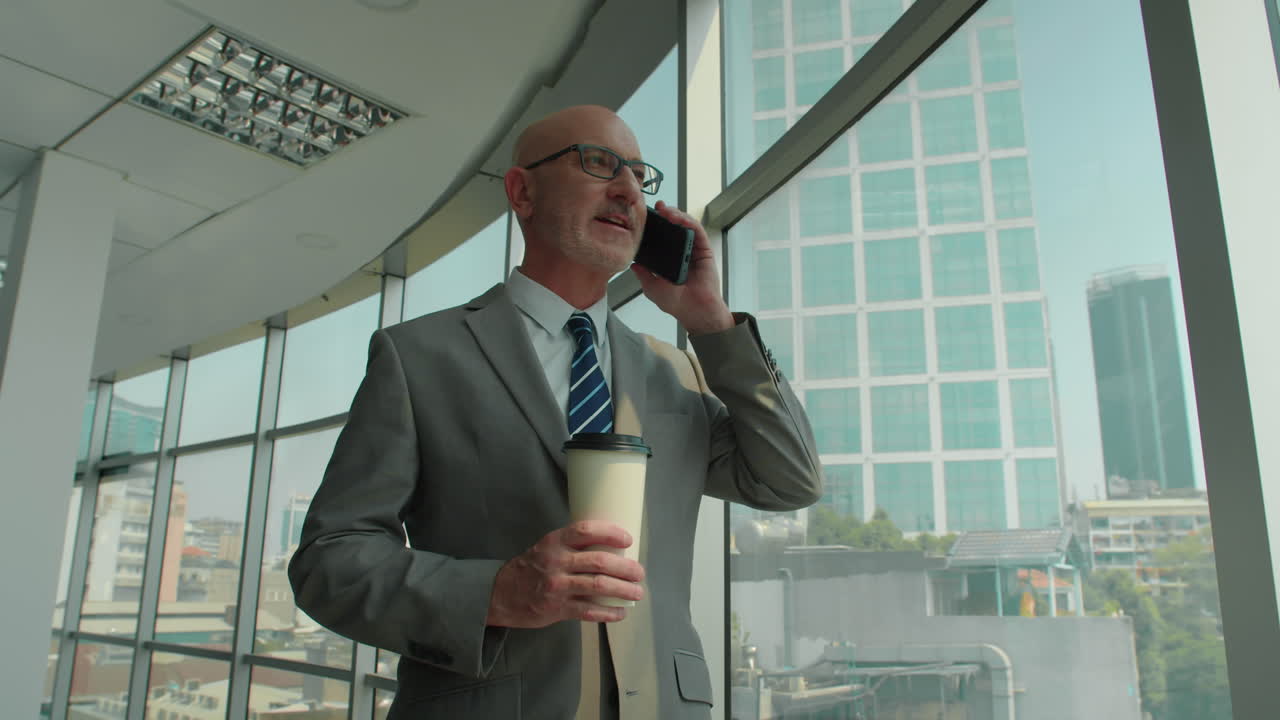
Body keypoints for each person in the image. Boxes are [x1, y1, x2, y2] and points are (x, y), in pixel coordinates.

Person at [288, 104, 823, 720]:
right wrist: (494, 593)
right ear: (522, 191)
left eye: (640, 177)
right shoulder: (418, 358)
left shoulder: (673, 371)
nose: (627, 189)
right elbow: (330, 558)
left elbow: (791, 479)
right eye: (599, 163)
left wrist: (710, 322)